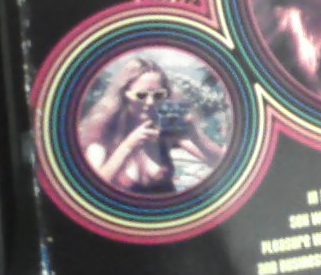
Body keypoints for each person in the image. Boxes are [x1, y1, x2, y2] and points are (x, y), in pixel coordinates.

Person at [78, 55, 224, 196]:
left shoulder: (165, 130)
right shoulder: (103, 137)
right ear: (124, 95)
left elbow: (223, 165)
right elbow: (92, 191)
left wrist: (196, 136)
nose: (150, 102)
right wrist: (128, 146)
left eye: (158, 95)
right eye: (141, 95)